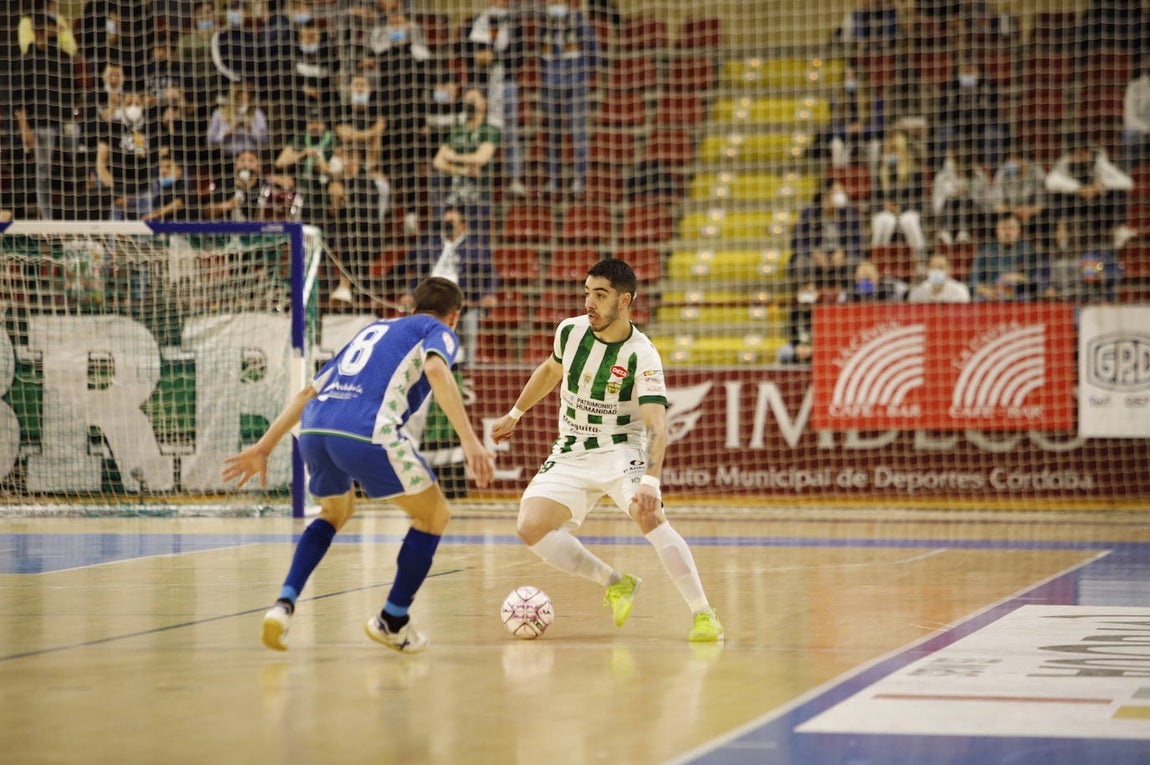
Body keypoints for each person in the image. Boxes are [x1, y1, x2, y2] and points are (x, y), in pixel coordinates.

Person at [223, 277, 496, 653]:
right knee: (434, 516)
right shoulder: (439, 330)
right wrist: (469, 440)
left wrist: (263, 447)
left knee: (334, 512)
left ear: (409, 305)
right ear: (455, 315)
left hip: (316, 429)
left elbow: (306, 392)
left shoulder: (374, 330)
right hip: (367, 431)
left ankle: (283, 605)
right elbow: (436, 369)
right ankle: (393, 620)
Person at [489, 259, 724, 643]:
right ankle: (615, 582)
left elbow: (656, 424)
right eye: (587, 293)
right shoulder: (570, 331)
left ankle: (704, 613)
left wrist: (650, 480)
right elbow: (551, 371)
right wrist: (516, 413)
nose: (589, 303)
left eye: (600, 295)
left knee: (650, 518)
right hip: (572, 449)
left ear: (624, 300)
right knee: (530, 527)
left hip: (621, 450)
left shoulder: (641, 353)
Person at [467, 0, 528, 196]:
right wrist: (478, 57)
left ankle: (514, 178)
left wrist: (494, 57)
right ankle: (478, 174)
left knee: (509, 133)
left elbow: (520, 56)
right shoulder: (475, 21)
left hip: (506, 83)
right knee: (479, 131)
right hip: (481, 83)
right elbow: (463, 50)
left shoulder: (514, 24)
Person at [539, 0, 598, 197]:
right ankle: (553, 179)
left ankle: (580, 179)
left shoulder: (579, 21)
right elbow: (538, 55)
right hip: (551, 87)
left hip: (575, 87)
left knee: (577, 134)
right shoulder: (544, 23)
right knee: (552, 136)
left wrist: (582, 76)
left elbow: (593, 51)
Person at [431, 88, 500, 250]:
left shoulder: (489, 130)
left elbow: (482, 158)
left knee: (478, 246)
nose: (468, 102)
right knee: (447, 244)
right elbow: (438, 161)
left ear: (484, 105)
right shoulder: (457, 131)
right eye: (466, 99)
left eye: (473, 99)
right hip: (453, 197)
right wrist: (463, 170)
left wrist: (454, 157)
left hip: (479, 198)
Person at [1045, 138, 1137, 249]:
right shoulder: (1065, 163)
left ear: (1089, 152)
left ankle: (1119, 230)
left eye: (1083, 153)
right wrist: (1079, 189)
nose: (1079, 157)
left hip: (1098, 205)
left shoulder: (1101, 163)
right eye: (1076, 154)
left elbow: (1128, 183)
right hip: (1075, 203)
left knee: (1117, 193)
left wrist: (1101, 185)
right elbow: (1050, 181)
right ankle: (1061, 231)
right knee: (1056, 195)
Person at [95, 90, 162, 221]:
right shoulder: (113, 126)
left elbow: (154, 157)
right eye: (129, 102)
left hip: (142, 189)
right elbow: (100, 163)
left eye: (137, 103)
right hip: (117, 190)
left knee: (146, 232)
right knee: (114, 233)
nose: (133, 106)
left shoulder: (150, 127)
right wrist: (116, 192)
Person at [788, 179, 863, 290]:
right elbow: (796, 241)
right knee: (801, 263)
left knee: (854, 262)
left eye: (842, 192)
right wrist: (813, 253)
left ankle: (845, 296)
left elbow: (857, 241)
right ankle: (807, 297)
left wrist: (844, 252)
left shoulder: (850, 213)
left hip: (839, 255)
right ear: (826, 195)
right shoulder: (809, 213)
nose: (841, 196)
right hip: (815, 255)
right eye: (837, 192)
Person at [871, 130, 928, 254]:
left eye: (895, 150)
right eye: (889, 150)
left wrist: (901, 208)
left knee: (908, 220)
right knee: (886, 221)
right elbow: (873, 200)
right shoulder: (880, 173)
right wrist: (885, 206)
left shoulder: (915, 173)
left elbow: (920, 202)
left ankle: (919, 256)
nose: (892, 154)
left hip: (908, 211)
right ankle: (877, 257)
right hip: (885, 212)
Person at [969, 212, 1045, 301]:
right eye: (1004, 228)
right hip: (993, 295)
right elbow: (973, 280)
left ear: (1018, 230)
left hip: (1020, 295)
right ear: (997, 230)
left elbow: (1038, 278)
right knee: (979, 298)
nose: (1007, 232)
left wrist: (1020, 277)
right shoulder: (986, 251)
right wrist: (986, 291)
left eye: (1011, 228)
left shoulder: (1028, 250)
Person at [907, 252, 972, 302]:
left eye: (940, 268)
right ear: (927, 271)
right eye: (933, 267)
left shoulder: (960, 291)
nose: (936, 271)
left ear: (949, 270)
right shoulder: (917, 292)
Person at [1122, 59, 1150, 170]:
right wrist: (1147, 130)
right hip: (1138, 130)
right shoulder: (1135, 86)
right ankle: (1131, 174)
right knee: (1130, 135)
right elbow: (1129, 117)